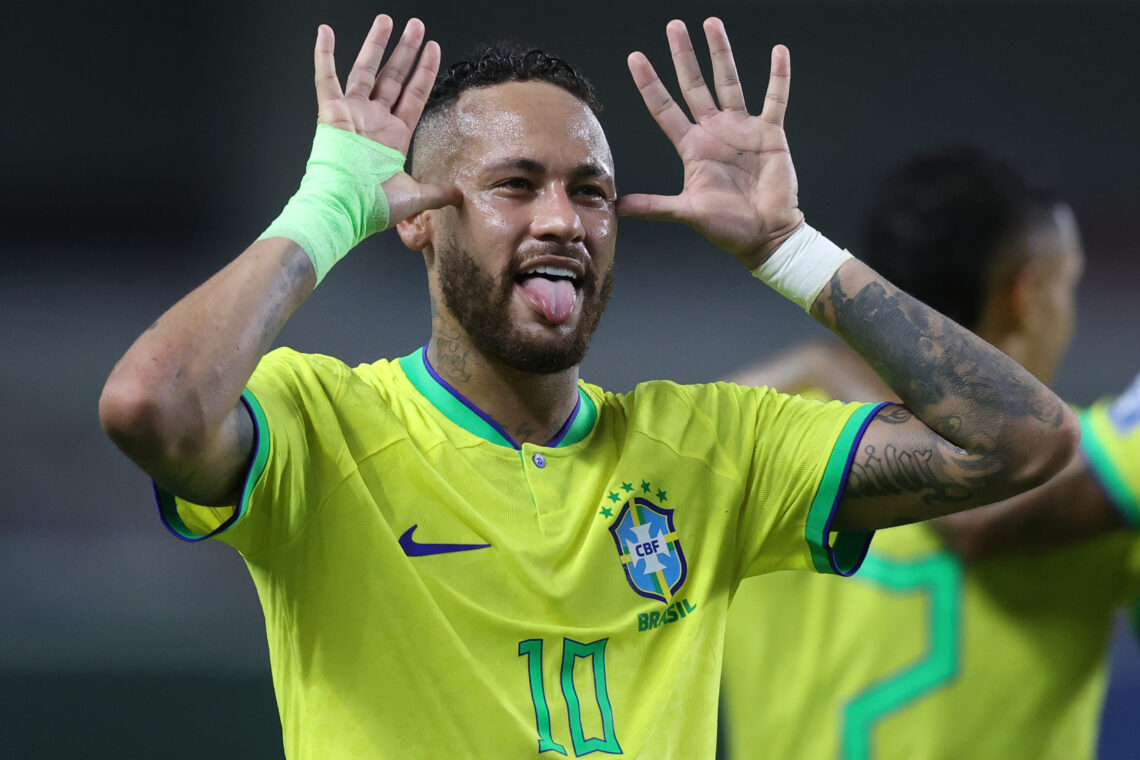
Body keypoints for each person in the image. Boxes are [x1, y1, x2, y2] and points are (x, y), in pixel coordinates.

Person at [98, 15, 1077, 759]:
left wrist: (793, 251)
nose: (564, 219)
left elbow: (1022, 440)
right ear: (418, 216)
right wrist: (322, 211)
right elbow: (151, 405)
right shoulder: (323, 428)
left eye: (591, 190)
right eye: (516, 186)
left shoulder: (713, 449)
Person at [719, 146, 1140, 760]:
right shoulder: (1092, 462)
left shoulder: (763, 429)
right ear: (1026, 295)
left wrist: (830, 370)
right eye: (1067, 285)